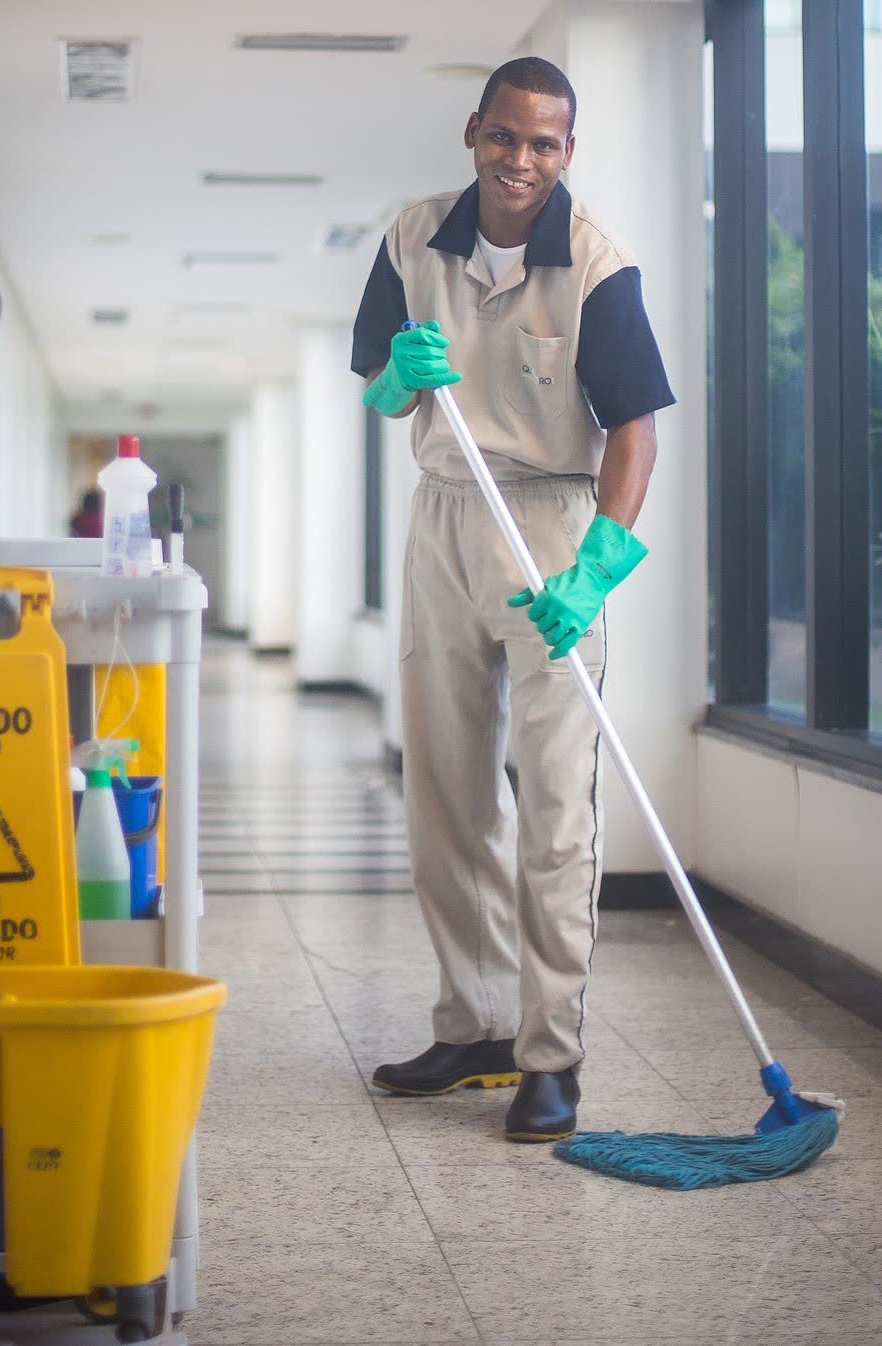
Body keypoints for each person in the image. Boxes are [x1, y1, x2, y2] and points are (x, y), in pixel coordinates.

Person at [351, 57, 674, 1141]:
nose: (520, 159)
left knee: (552, 803)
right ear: (471, 131)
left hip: (549, 530)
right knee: (444, 792)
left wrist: (595, 569)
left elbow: (635, 431)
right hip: (442, 518)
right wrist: (398, 376)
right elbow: (378, 387)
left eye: (543, 143)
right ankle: (476, 1021)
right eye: (504, 136)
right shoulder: (410, 238)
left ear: (565, 152)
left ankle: (550, 1053)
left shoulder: (594, 263)